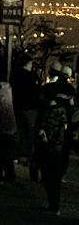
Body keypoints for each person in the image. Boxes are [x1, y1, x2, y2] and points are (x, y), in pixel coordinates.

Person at [36, 85, 68, 216]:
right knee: (47, 176)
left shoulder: (58, 110)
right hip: (48, 146)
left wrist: (50, 140)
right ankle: (52, 203)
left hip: (53, 148)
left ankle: (54, 204)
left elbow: (62, 131)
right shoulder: (49, 109)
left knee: (52, 177)